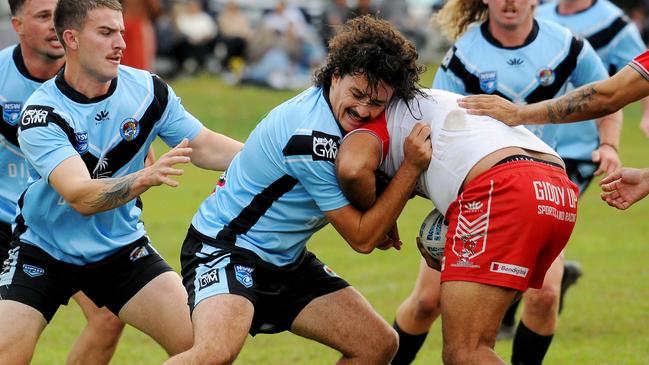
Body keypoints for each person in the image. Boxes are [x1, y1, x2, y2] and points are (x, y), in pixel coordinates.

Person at [164, 16, 430, 365]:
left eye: (377, 103)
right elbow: (363, 239)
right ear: (335, 76)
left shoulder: (340, 117)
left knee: (378, 345)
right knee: (215, 353)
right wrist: (411, 168)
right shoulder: (310, 136)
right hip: (227, 248)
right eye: (357, 94)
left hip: (286, 261)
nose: (364, 111)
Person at [0, 0, 243, 363]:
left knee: (207, 349)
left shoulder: (148, 92)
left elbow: (204, 145)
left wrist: (270, 159)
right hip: (45, 249)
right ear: (73, 39)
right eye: (106, 33)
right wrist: (142, 178)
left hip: (120, 249)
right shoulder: (41, 113)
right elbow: (80, 196)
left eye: (121, 33)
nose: (121, 44)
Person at [388, 0, 623, 363]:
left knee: (544, 294)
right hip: (473, 194)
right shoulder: (464, 57)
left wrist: (608, 145)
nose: (510, 2)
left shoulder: (566, 46)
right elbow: (435, 129)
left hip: (536, 186)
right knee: (426, 301)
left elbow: (607, 96)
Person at [336, 88, 579, 365]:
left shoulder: (363, 122)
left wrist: (372, 215)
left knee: (465, 351)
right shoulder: (426, 101)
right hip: (557, 188)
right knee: (471, 328)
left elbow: (353, 171)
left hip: (504, 187)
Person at [1, 1, 125, 364]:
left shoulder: (97, 75)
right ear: (17, 25)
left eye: (57, 16)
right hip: (6, 217)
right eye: (42, 17)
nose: (54, 26)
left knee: (108, 315)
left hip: (58, 223)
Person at [459, 50, 649, 211]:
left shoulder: (571, 41)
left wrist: (519, 113)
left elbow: (608, 96)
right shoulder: (464, 50)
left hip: (574, 156)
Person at [536, 0, 649, 138]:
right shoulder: (538, 13)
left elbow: (642, 72)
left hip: (584, 147)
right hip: (536, 143)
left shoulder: (614, 22)